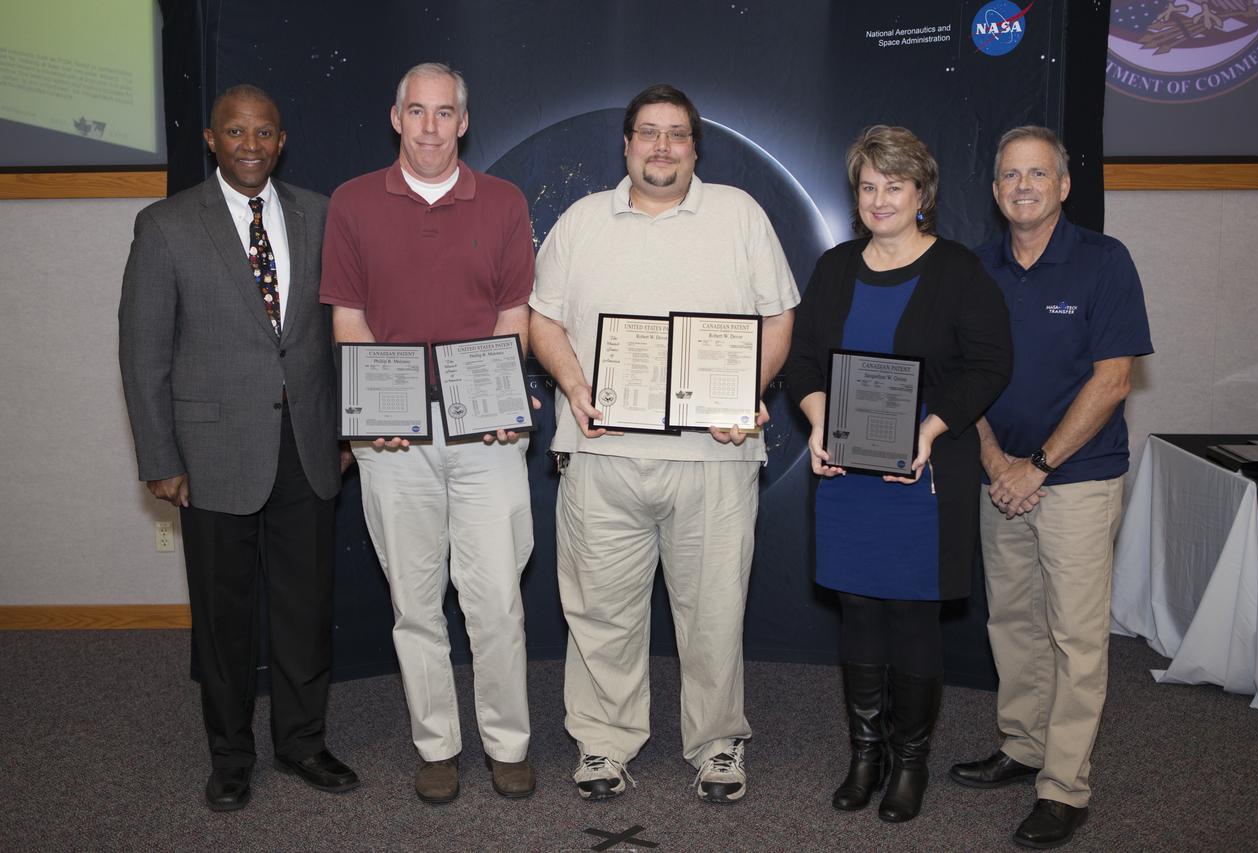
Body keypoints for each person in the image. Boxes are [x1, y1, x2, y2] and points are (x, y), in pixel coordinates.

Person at [529, 83, 798, 804]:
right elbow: (541, 321)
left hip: (713, 458)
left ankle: (716, 744)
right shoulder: (582, 221)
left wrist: (746, 395)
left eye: (676, 134)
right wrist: (574, 383)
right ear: (625, 144)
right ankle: (603, 743)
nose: (661, 147)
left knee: (714, 612)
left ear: (695, 146)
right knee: (600, 611)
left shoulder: (740, 216)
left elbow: (779, 318)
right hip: (601, 454)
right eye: (648, 132)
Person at [118, 84, 359, 811]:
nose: (250, 144)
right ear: (212, 140)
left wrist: (347, 427)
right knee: (224, 620)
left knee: (303, 608)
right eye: (235, 132)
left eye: (263, 133)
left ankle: (302, 741)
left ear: (281, 141)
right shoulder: (164, 226)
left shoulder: (322, 215)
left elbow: (345, 331)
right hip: (212, 452)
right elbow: (143, 352)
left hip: (309, 447)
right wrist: (160, 457)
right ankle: (229, 755)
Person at [319, 62, 537, 804]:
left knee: (497, 600)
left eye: (445, 113)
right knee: (414, 602)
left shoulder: (503, 202)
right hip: (395, 441)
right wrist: (371, 416)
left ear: (464, 122)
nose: (431, 127)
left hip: (488, 437)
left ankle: (508, 742)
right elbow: (349, 320)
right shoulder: (351, 203)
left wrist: (504, 406)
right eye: (417, 112)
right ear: (396, 118)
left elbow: (514, 317)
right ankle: (437, 744)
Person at [785, 125, 1013, 823]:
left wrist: (931, 428)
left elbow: (989, 364)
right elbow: (803, 362)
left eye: (895, 185)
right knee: (857, 610)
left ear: (923, 194)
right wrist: (819, 421)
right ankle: (866, 753)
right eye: (868, 185)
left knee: (913, 617)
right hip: (848, 474)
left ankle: (908, 764)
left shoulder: (957, 271)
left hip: (922, 475)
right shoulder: (833, 267)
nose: (880, 198)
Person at [947, 126, 1152, 848]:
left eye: (1038, 174)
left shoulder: (1103, 262)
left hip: (1079, 479)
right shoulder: (977, 267)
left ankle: (1064, 785)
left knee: (1075, 635)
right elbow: (965, 376)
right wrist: (999, 461)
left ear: (1063, 186)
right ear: (995, 188)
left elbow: (1113, 378)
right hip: (1000, 474)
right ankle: (1023, 744)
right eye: (1009, 175)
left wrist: (1041, 464)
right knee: (1014, 622)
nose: (1023, 186)